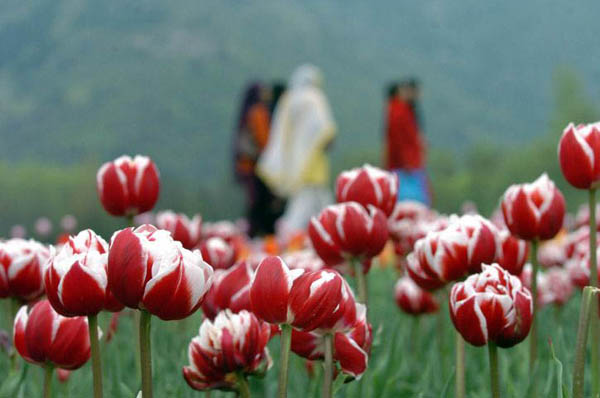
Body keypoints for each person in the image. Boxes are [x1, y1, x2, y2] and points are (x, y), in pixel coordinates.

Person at [257, 64, 336, 237]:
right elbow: (325, 129)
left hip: (296, 161)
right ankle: (294, 238)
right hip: (313, 160)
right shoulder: (314, 98)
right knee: (308, 205)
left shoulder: (289, 99)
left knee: (314, 202)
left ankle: (321, 236)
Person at [233, 82, 280, 237]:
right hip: (257, 166)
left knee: (253, 202)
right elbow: (264, 140)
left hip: (245, 166)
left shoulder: (245, 113)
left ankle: (251, 235)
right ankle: (258, 235)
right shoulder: (258, 112)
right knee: (260, 204)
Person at [384, 80, 431, 205]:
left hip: (409, 162)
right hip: (406, 166)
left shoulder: (405, 109)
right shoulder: (398, 110)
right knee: (410, 201)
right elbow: (400, 140)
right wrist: (407, 161)